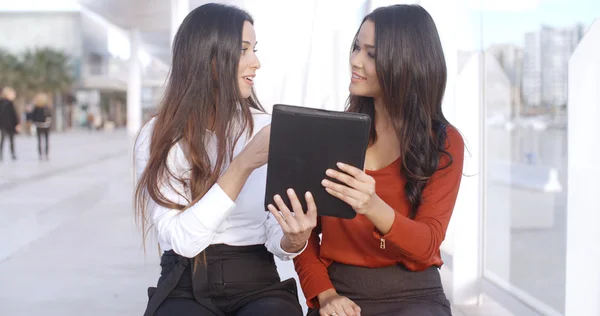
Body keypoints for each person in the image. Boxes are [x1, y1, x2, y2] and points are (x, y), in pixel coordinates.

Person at [134, 4, 317, 316]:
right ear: (211, 59)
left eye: (254, 50)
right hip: (183, 280)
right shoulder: (159, 135)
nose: (256, 62)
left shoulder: (266, 127)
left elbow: (275, 235)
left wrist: (294, 238)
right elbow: (183, 241)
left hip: (257, 279)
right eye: (244, 50)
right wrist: (243, 163)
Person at [289, 5, 465, 316]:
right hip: (341, 290)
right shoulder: (330, 134)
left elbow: (427, 244)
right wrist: (325, 295)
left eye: (372, 54)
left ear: (406, 63)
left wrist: (372, 205)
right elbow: (303, 235)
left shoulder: (444, 142)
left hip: (416, 294)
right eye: (357, 47)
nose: (355, 60)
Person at [0, 87, 20, 161]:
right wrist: (17, 123)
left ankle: (1, 154)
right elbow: (13, 115)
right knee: (11, 140)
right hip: (10, 124)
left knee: (3, 139)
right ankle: (12, 153)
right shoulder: (10, 103)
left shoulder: (1, 102)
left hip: (2, 124)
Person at [31, 93, 52, 160]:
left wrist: (35, 122)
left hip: (39, 125)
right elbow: (49, 116)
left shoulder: (36, 107)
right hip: (45, 125)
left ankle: (41, 154)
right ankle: (46, 154)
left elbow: (33, 117)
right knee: (45, 140)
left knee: (39, 140)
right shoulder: (45, 107)